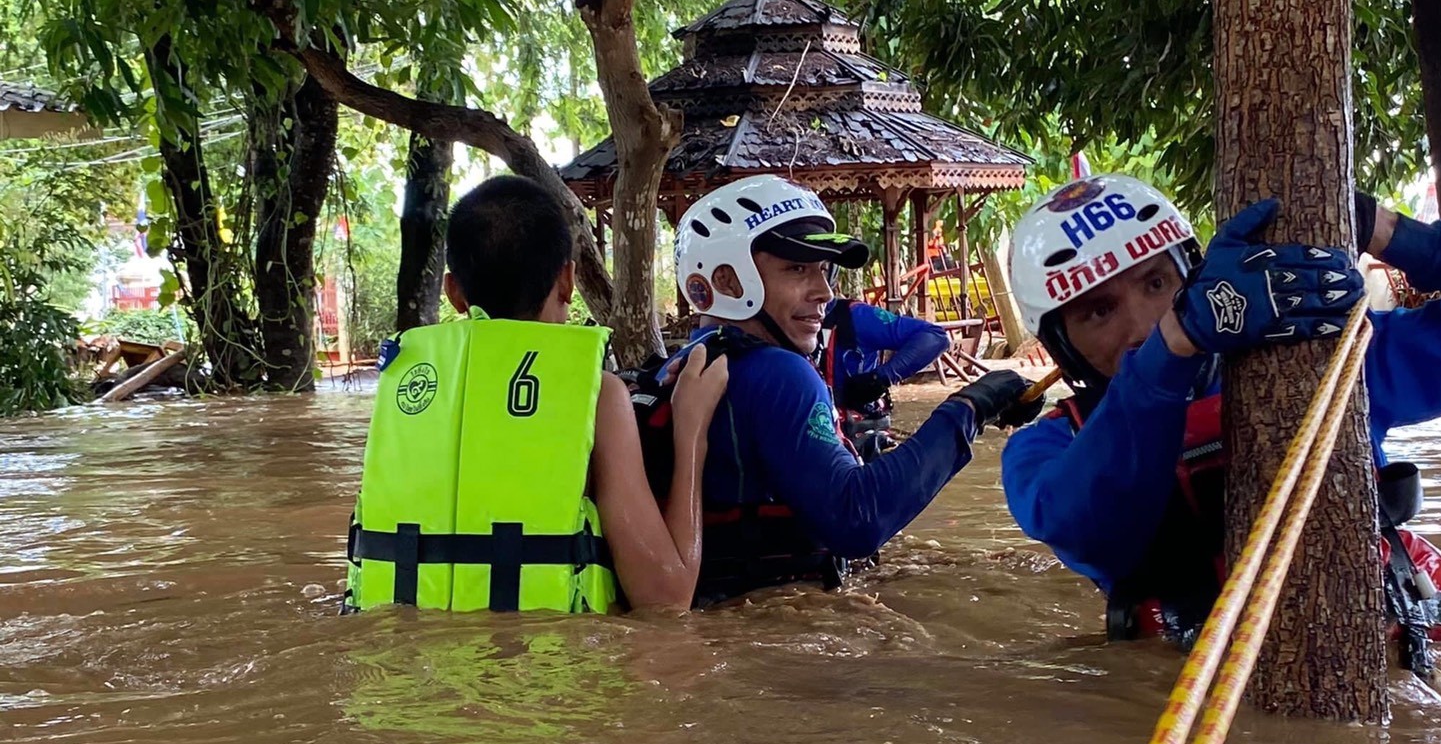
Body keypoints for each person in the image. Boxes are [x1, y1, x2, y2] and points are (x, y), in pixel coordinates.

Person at [1001, 172, 1441, 668]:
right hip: (1199, 685)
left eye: (1158, 283)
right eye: (1098, 311)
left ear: (1194, 273)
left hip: (1412, 661)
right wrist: (1172, 349)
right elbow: (1090, 526)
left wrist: (1389, 232)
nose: (1141, 325)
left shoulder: (1330, 359)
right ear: (1061, 345)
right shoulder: (1046, 450)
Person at [344, 175, 729, 614]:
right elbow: (666, 598)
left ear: (453, 292)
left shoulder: (406, 388)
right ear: (567, 280)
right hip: (548, 669)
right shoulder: (596, 394)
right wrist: (692, 429)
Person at [656, 173, 1042, 605]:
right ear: (727, 282)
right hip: (787, 630)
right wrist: (970, 408)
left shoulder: (680, 366)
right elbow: (857, 518)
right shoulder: (779, 372)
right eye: (797, 269)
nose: (823, 292)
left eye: (824, 271)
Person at [819, 297, 950, 462]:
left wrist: (881, 378)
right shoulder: (779, 326)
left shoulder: (854, 316)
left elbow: (935, 337)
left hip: (853, 437)